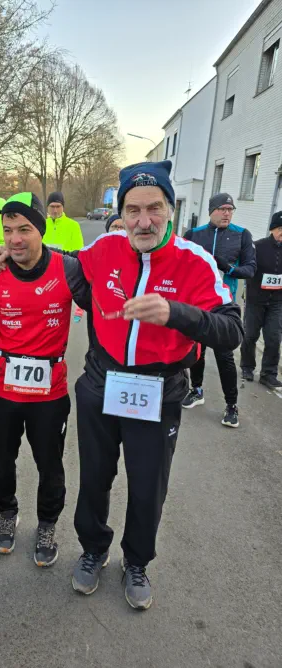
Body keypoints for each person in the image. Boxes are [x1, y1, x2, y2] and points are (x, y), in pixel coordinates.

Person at [58, 161, 242, 609]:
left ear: (170, 210)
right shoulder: (105, 248)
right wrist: (11, 252)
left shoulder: (194, 261)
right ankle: (93, 549)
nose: (144, 221)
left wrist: (176, 313)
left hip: (158, 391)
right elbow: (63, 265)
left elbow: (232, 330)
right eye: (133, 210)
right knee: (94, 478)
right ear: (121, 212)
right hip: (102, 382)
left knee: (147, 486)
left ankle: (137, 561)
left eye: (154, 208)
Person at [0, 192, 90, 567]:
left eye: (25, 229)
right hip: (3, 388)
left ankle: (47, 524)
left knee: (50, 464)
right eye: (8, 229)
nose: (15, 239)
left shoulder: (67, 268)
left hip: (49, 392)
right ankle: (7, 513)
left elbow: (101, 307)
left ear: (40, 231)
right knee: (1, 460)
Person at [182, 193, 256, 427]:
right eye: (222, 209)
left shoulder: (242, 235)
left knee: (224, 356)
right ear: (211, 211)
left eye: (230, 209)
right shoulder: (194, 235)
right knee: (197, 350)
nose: (227, 213)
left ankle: (231, 405)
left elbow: (250, 270)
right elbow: (180, 264)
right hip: (197, 303)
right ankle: (197, 390)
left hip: (224, 307)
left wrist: (228, 268)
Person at [240, 211, 282, 389]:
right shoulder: (258, 247)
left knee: (274, 338)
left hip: (277, 302)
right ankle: (247, 367)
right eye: (280, 228)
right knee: (250, 335)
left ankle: (268, 374)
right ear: (272, 229)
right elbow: (246, 268)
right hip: (255, 300)